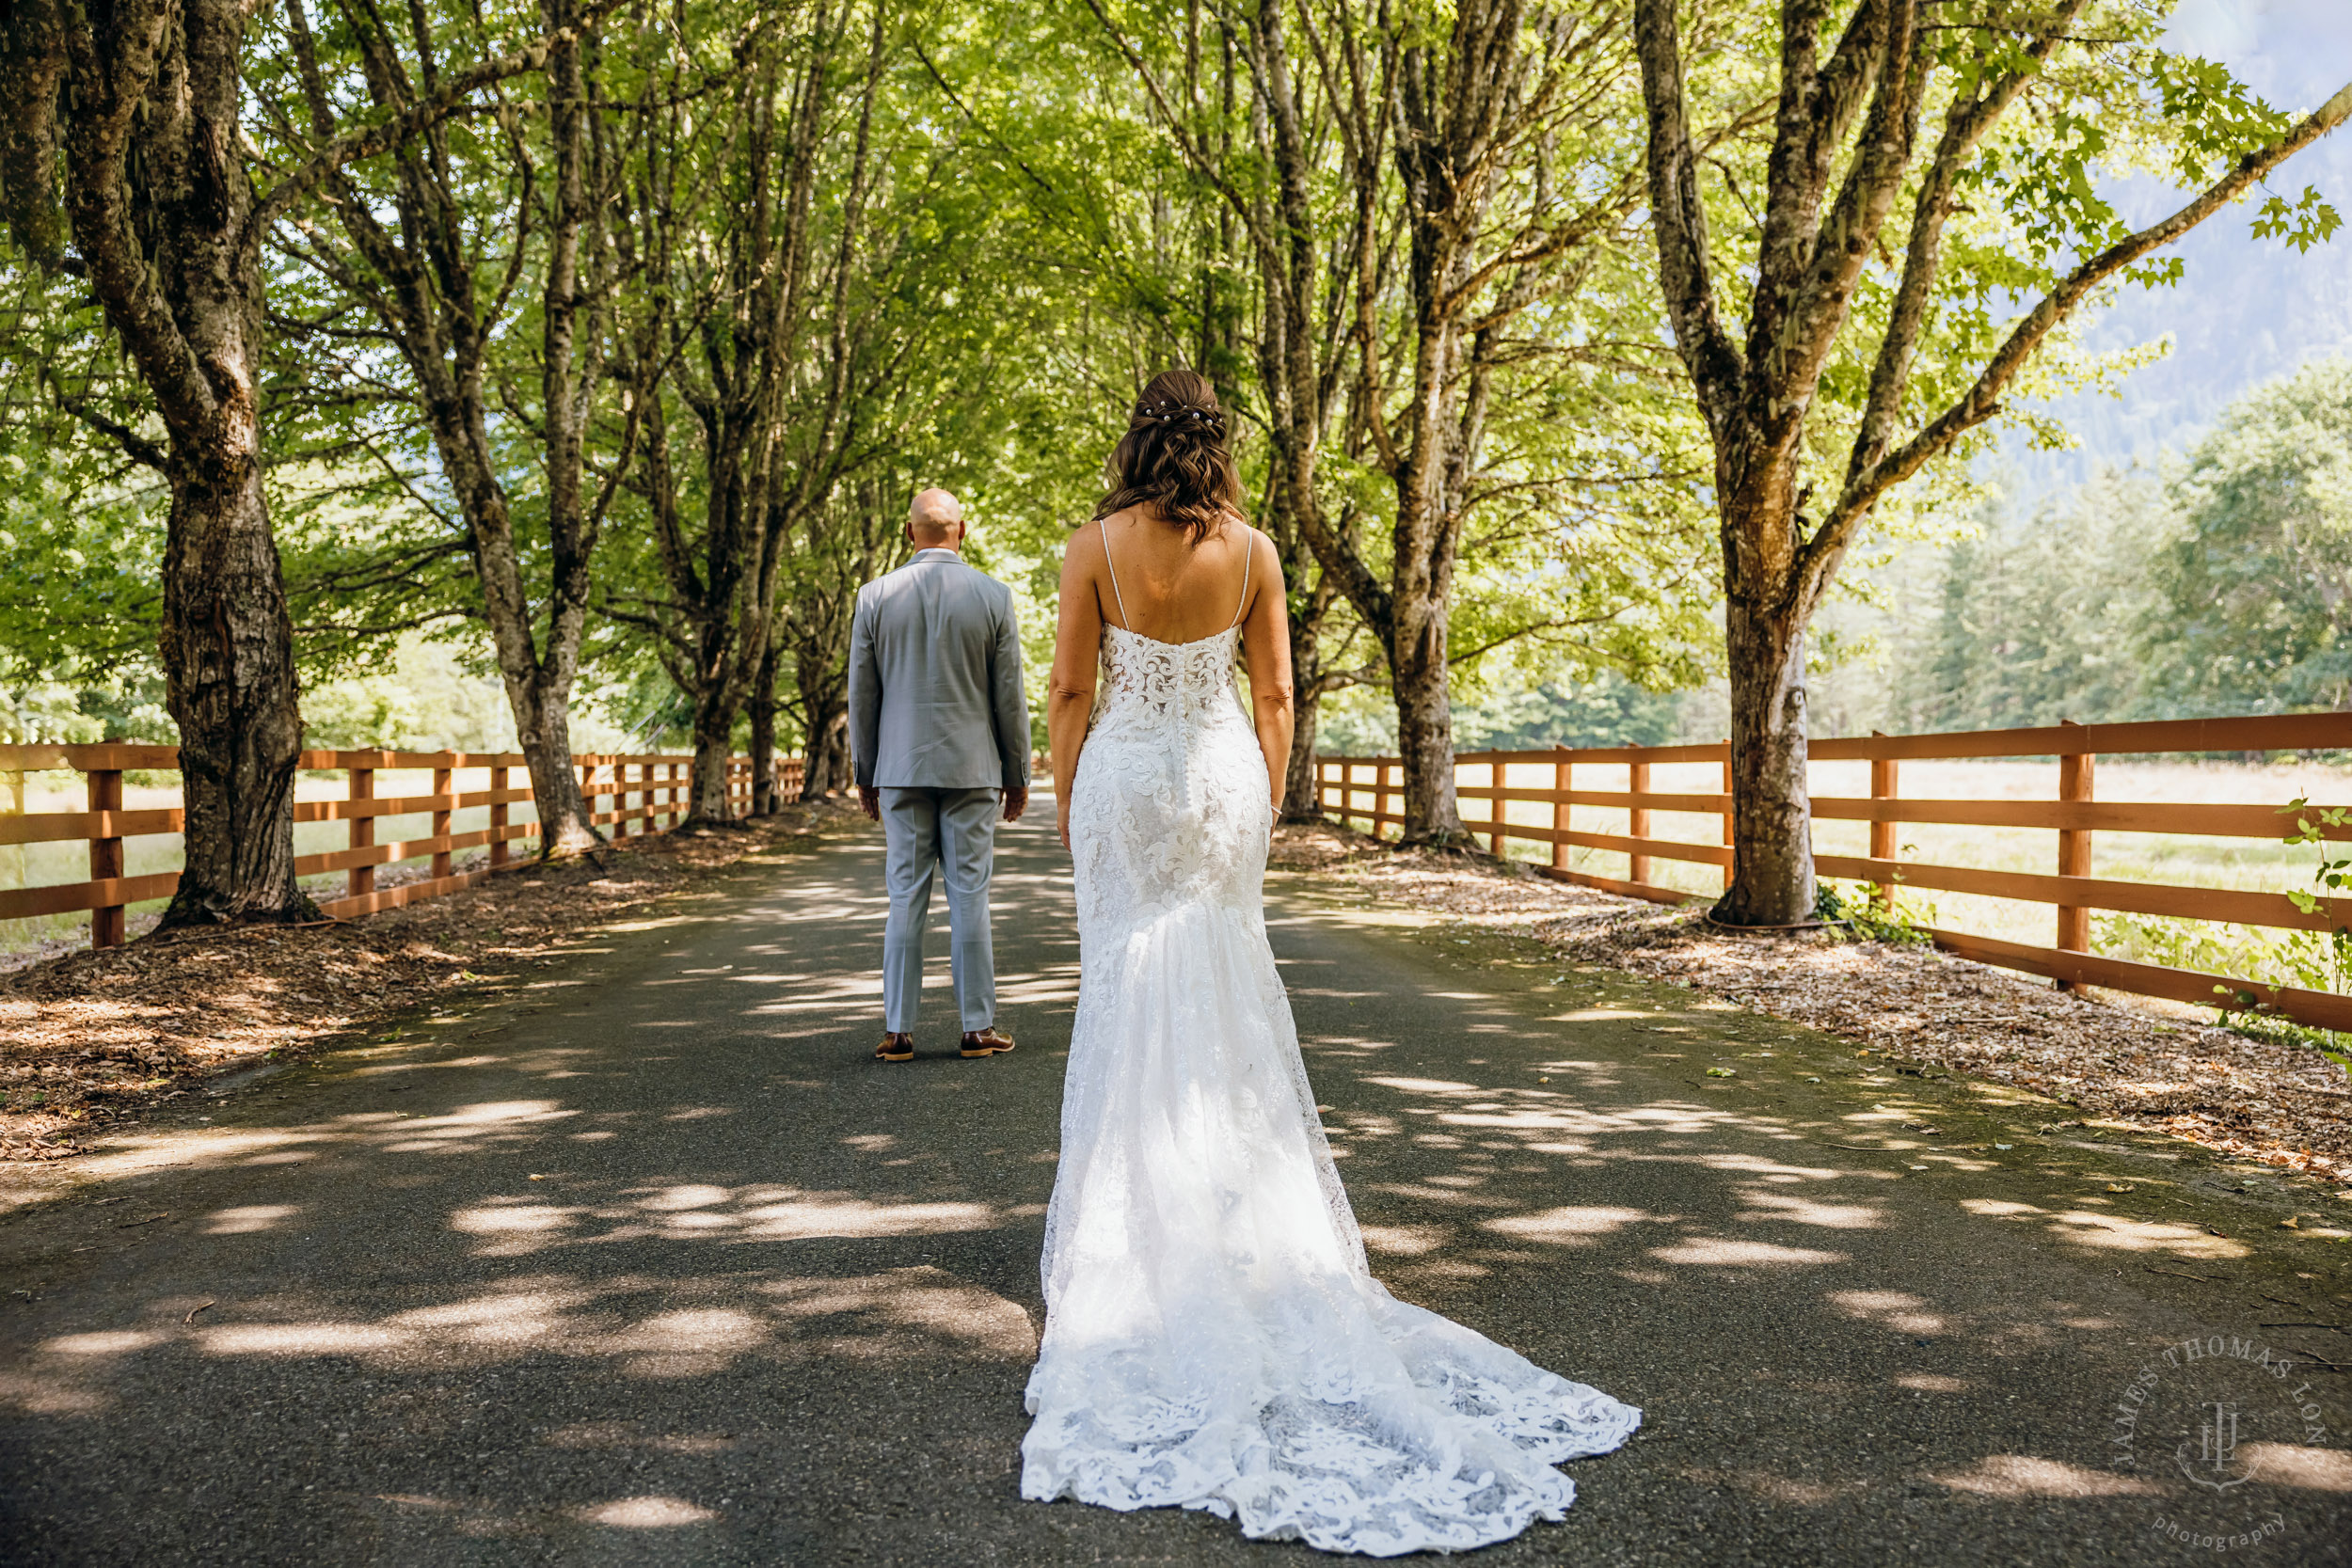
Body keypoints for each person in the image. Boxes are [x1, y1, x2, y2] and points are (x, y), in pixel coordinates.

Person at [1020, 370, 1640, 1554]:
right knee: (1226, 991)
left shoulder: (1091, 545)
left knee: (1130, 988)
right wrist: (1258, 794)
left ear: (1136, 441)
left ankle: (1134, 1235)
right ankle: (1239, 1219)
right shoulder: (1252, 552)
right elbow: (1277, 692)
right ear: (1216, 448)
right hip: (1216, 780)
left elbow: (1067, 689)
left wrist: (1068, 801)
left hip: (1125, 781)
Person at [846, 486, 1030, 1062]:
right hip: (973, 768)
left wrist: (865, 772)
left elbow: (863, 693)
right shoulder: (993, 596)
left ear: (909, 533)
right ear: (963, 530)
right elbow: (1009, 696)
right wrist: (1016, 770)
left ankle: (898, 1031)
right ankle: (977, 1028)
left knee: (904, 896)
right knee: (969, 897)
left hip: (899, 769)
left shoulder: (874, 596)